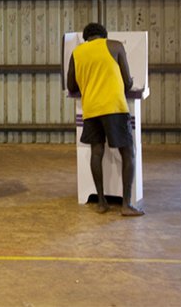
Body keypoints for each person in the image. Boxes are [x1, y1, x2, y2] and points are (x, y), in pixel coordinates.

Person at [67, 22, 144, 217]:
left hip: (91, 108)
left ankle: (101, 202)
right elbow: (127, 82)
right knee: (128, 152)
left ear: (86, 37)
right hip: (114, 107)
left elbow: (71, 85)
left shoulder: (77, 53)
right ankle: (126, 205)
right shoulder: (115, 45)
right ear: (104, 35)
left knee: (97, 151)